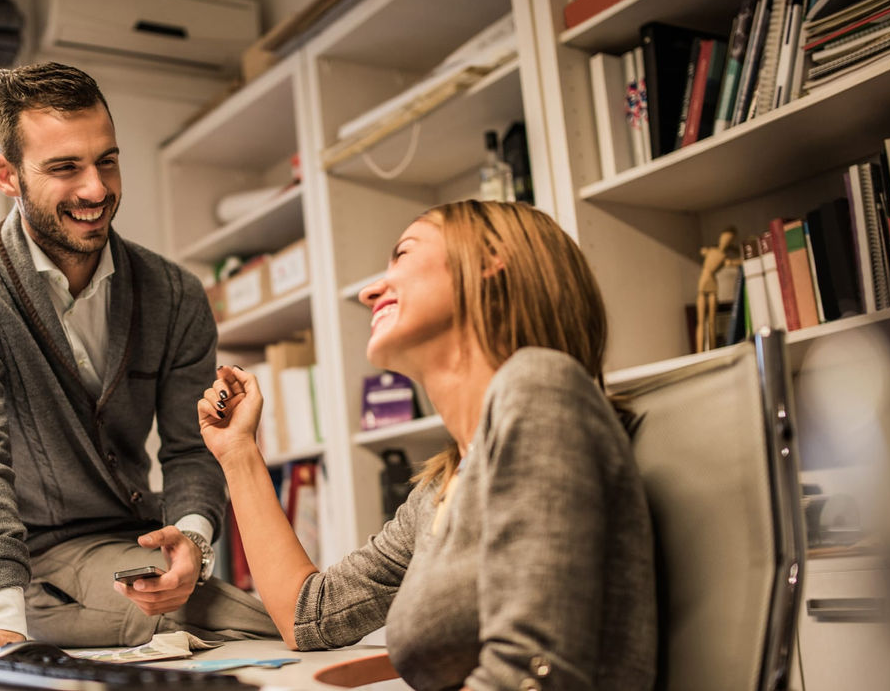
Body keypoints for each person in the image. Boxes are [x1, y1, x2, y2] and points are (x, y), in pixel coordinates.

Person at [0, 62, 275, 672]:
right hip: (31, 567)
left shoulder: (175, 294)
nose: (96, 190)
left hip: (134, 549)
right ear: (8, 175)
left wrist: (195, 547)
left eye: (107, 161)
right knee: (262, 624)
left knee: (252, 621)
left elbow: (190, 447)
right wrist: (5, 626)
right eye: (65, 167)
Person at [198, 200, 657, 690]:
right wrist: (239, 452)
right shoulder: (443, 488)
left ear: (489, 262)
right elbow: (308, 616)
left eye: (402, 255)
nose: (371, 290)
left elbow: (535, 672)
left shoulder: (542, 389)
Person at [695, 226, 739, 352]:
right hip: (704, 281)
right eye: (724, 238)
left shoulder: (724, 257)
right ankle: (699, 351)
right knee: (701, 321)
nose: (725, 241)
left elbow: (737, 262)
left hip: (713, 284)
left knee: (712, 321)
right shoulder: (710, 250)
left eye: (729, 240)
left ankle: (713, 349)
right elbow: (702, 251)